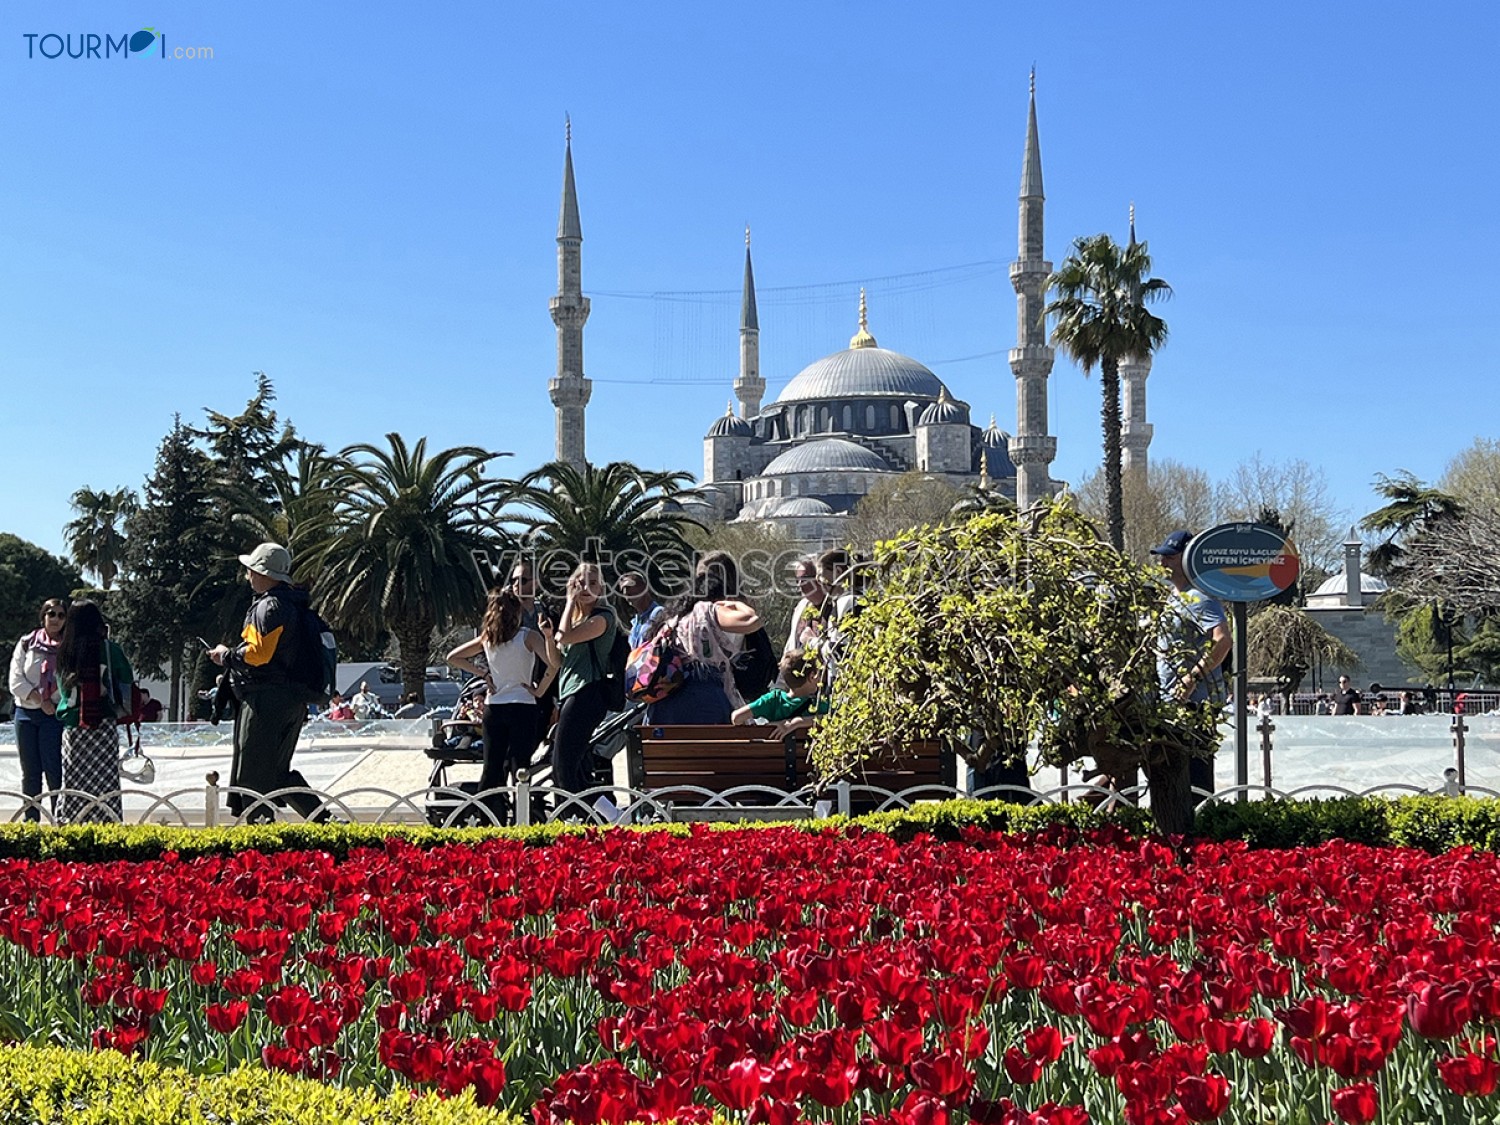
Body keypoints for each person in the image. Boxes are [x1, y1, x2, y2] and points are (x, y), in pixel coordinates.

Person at [208, 542, 326, 823]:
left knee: (253, 773)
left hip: (266, 701)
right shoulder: (293, 604)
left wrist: (226, 657)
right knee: (276, 772)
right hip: (291, 699)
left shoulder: (269, 606)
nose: (248, 575)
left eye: (250, 570)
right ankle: (325, 821)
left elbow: (259, 655)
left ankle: (260, 835)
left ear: (261, 573)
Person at [447, 587, 560, 820]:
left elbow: (453, 657)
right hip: (523, 705)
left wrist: (483, 674)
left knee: (491, 768)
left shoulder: (488, 638)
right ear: (517, 611)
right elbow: (554, 663)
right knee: (521, 768)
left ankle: (488, 819)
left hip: (495, 707)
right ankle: (522, 819)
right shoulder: (528, 636)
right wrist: (540, 688)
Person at [1151, 530, 1232, 804]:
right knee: (1172, 778)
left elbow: (1222, 641)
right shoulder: (1173, 598)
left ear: (1188, 559)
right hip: (1170, 703)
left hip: (1195, 705)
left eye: (1170, 557)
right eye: (1162, 557)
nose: (1163, 563)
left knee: (1196, 780)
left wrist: (1192, 678)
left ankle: (1202, 840)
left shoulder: (1201, 598)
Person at [646, 551, 763, 725]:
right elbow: (753, 620)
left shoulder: (671, 619)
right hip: (708, 701)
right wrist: (734, 603)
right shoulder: (708, 611)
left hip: (664, 706)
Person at [53, 601, 132, 824]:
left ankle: (70, 822)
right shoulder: (110, 650)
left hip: (74, 726)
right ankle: (108, 823)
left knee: (73, 779)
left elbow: (62, 690)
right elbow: (125, 681)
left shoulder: (64, 651)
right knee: (106, 781)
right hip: (104, 723)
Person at [551, 564, 618, 796]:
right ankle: (604, 814)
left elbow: (566, 637)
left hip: (587, 691)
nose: (587, 588)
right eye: (581, 583)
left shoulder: (603, 618)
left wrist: (569, 601)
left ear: (602, 588)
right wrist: (549, 637)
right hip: (571, 691)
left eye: (593, 583)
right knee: (573, 767)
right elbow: (557, 659)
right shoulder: (576, 620)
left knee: (563, 767)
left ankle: (575, 817)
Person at [8, 598, 67, 821]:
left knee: (54, 770)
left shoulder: (68, 646)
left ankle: (60, 819)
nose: (55, 619)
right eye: (51, 614)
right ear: (43, 616)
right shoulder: (27, 642)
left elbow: (69, 681)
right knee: (30, 772)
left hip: (53, 715)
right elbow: (15, 680)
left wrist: (51, 702)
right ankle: (30, 821)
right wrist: (39, 699)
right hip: (26, 714)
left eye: (61, 615)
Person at [732, 649, 828, 738]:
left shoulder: (773, 700)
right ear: (811, 677)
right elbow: (834, 718)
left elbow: (736, 718)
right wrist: (798, 722)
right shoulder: (819, 705)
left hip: (775, 755)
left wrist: (768, 726)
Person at [783, 558, 838, 657]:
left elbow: (836, 649)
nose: (799, 585)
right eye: (797, 580)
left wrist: (811, 642)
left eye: (804, 579)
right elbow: (791, 643)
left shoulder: (835, 608)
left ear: (818, 579)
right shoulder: (802, 607)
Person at [618, 572, 667, 649]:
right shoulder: (635, 623)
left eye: (630, 586)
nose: (626, 592)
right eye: (623, 589)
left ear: (644, 588)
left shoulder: (658, 613)